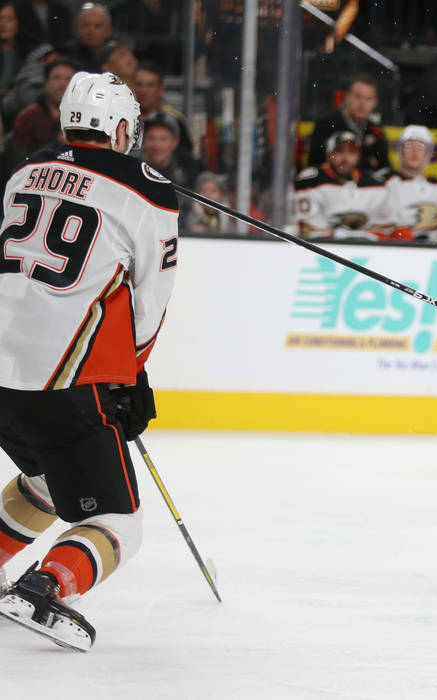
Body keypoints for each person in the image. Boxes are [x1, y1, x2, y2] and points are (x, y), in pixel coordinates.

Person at [0, 70, 179, 651]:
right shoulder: (151, 192)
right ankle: (47, 586)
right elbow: (149, 305)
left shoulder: (24, 171)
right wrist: (129, 379)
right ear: (123, 127)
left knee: (47, 484)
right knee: (119, 523)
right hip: (67, 381)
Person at [371, 124, 437, 242]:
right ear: (401, 150)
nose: (415, 152)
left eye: (420, 147)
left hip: (433, 251)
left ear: (428, 153)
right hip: (395, 248)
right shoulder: (383, 182)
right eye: (409, 145)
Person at [292, 130, 389, 240]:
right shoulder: (312, 180)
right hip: (324, 250)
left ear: (358, 156)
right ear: (329, 155)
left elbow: (385, 230)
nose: (346, 158)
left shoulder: (375, 183)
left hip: (366, 250)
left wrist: (357, 234)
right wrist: (342, 234)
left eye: (352, 152)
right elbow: (308, 230)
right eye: (340, 151)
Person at [306, 73, 389, 172]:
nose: (362, 103)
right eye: (357, 96)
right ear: (347, 96)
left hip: (366, 187)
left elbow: (384, 169)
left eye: (368, 98)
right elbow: (316, 167)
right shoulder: (325, 126)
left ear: (375, 102)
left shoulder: (376, 131)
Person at [132, 61, 193, 157]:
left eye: (150, 85)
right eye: (139, 84)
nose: (143, 91)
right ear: (132, 87)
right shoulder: (122, 119)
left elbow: (185, 158)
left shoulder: (175, 122)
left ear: (161, 89)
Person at [61, 2, 113, 73]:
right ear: (77, 29)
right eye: (86, 25)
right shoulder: (66, 54)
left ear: (109, 30)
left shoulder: (117, 53)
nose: (91, 31)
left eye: (97, 26)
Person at [184, 170, 235, 235]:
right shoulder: (189, 213)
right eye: (204, 190)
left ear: (221, 194)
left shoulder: (227, 215)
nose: (208, 195)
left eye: (213, 191)